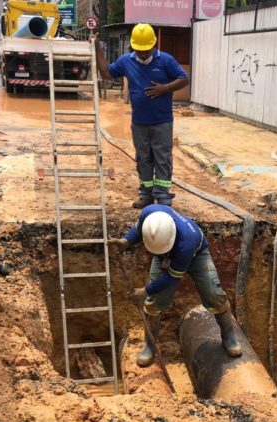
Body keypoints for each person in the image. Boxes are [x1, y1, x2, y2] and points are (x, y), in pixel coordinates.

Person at [109, 205, 243, 367]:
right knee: (154, 302)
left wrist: (145, 291)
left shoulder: (186, 243)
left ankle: (229, 336)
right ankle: (150, 346)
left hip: (196, 255)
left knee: (213, 294)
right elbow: (139, 229)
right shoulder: (150, 214)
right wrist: (126, 241)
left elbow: (172, 277)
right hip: (163, 256)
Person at [94, 24, 190, 208]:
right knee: (143, 158)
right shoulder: (126, 61)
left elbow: (184, 78)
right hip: (139, 123)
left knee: (162, 158)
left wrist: (165, 88)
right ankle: (146, 195)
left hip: (162, 121)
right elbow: (106, 73)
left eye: (146, 50)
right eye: (140, 50)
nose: (143, 54)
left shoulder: (166, 60)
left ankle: (163, 196)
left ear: (153, 45)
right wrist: (97, 48)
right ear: (133, 47)